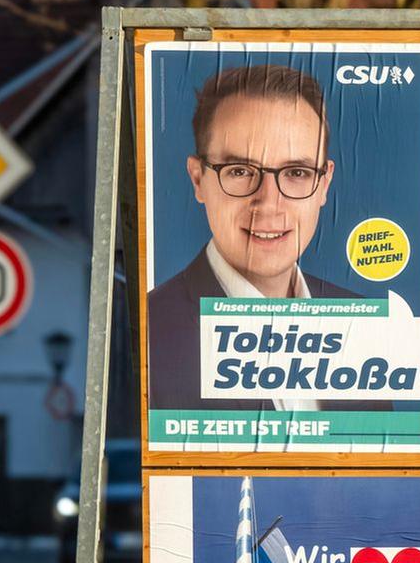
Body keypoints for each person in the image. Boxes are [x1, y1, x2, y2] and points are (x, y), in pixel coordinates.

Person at [148, 64, 362, 413]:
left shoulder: (363, 329)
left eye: (296, 172)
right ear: (198, 179)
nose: (268, 202)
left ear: (324, 184)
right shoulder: (151, 331)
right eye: (241, 171)